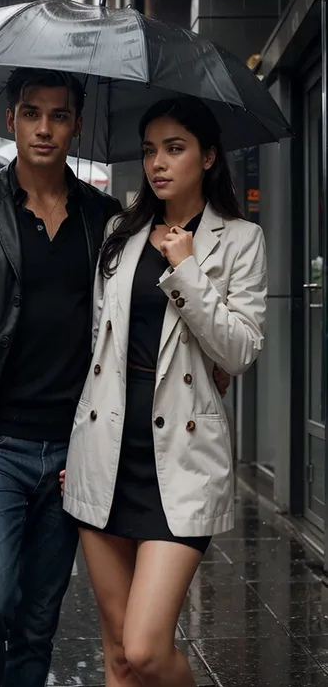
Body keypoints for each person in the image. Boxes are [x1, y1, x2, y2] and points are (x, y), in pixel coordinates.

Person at [0, 71, 229, 687]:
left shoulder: (107, 221)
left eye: (59, 115)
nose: (44, 128)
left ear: (76, 125)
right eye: (31, 113)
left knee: (38, 622)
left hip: (77, 449)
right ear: (11, 118)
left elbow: (143, 319)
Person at [62, 97, 266, 687]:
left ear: (207, 156)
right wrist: (72, 448)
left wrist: (185, 270)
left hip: (181, 456)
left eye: (175, 149)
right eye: (150, 150)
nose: (158, 163)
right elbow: (94, 348)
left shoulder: (240, 239)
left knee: (148, 650)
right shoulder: (120, 231)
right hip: (104, 450)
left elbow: (240, 351)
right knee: (119, 657)